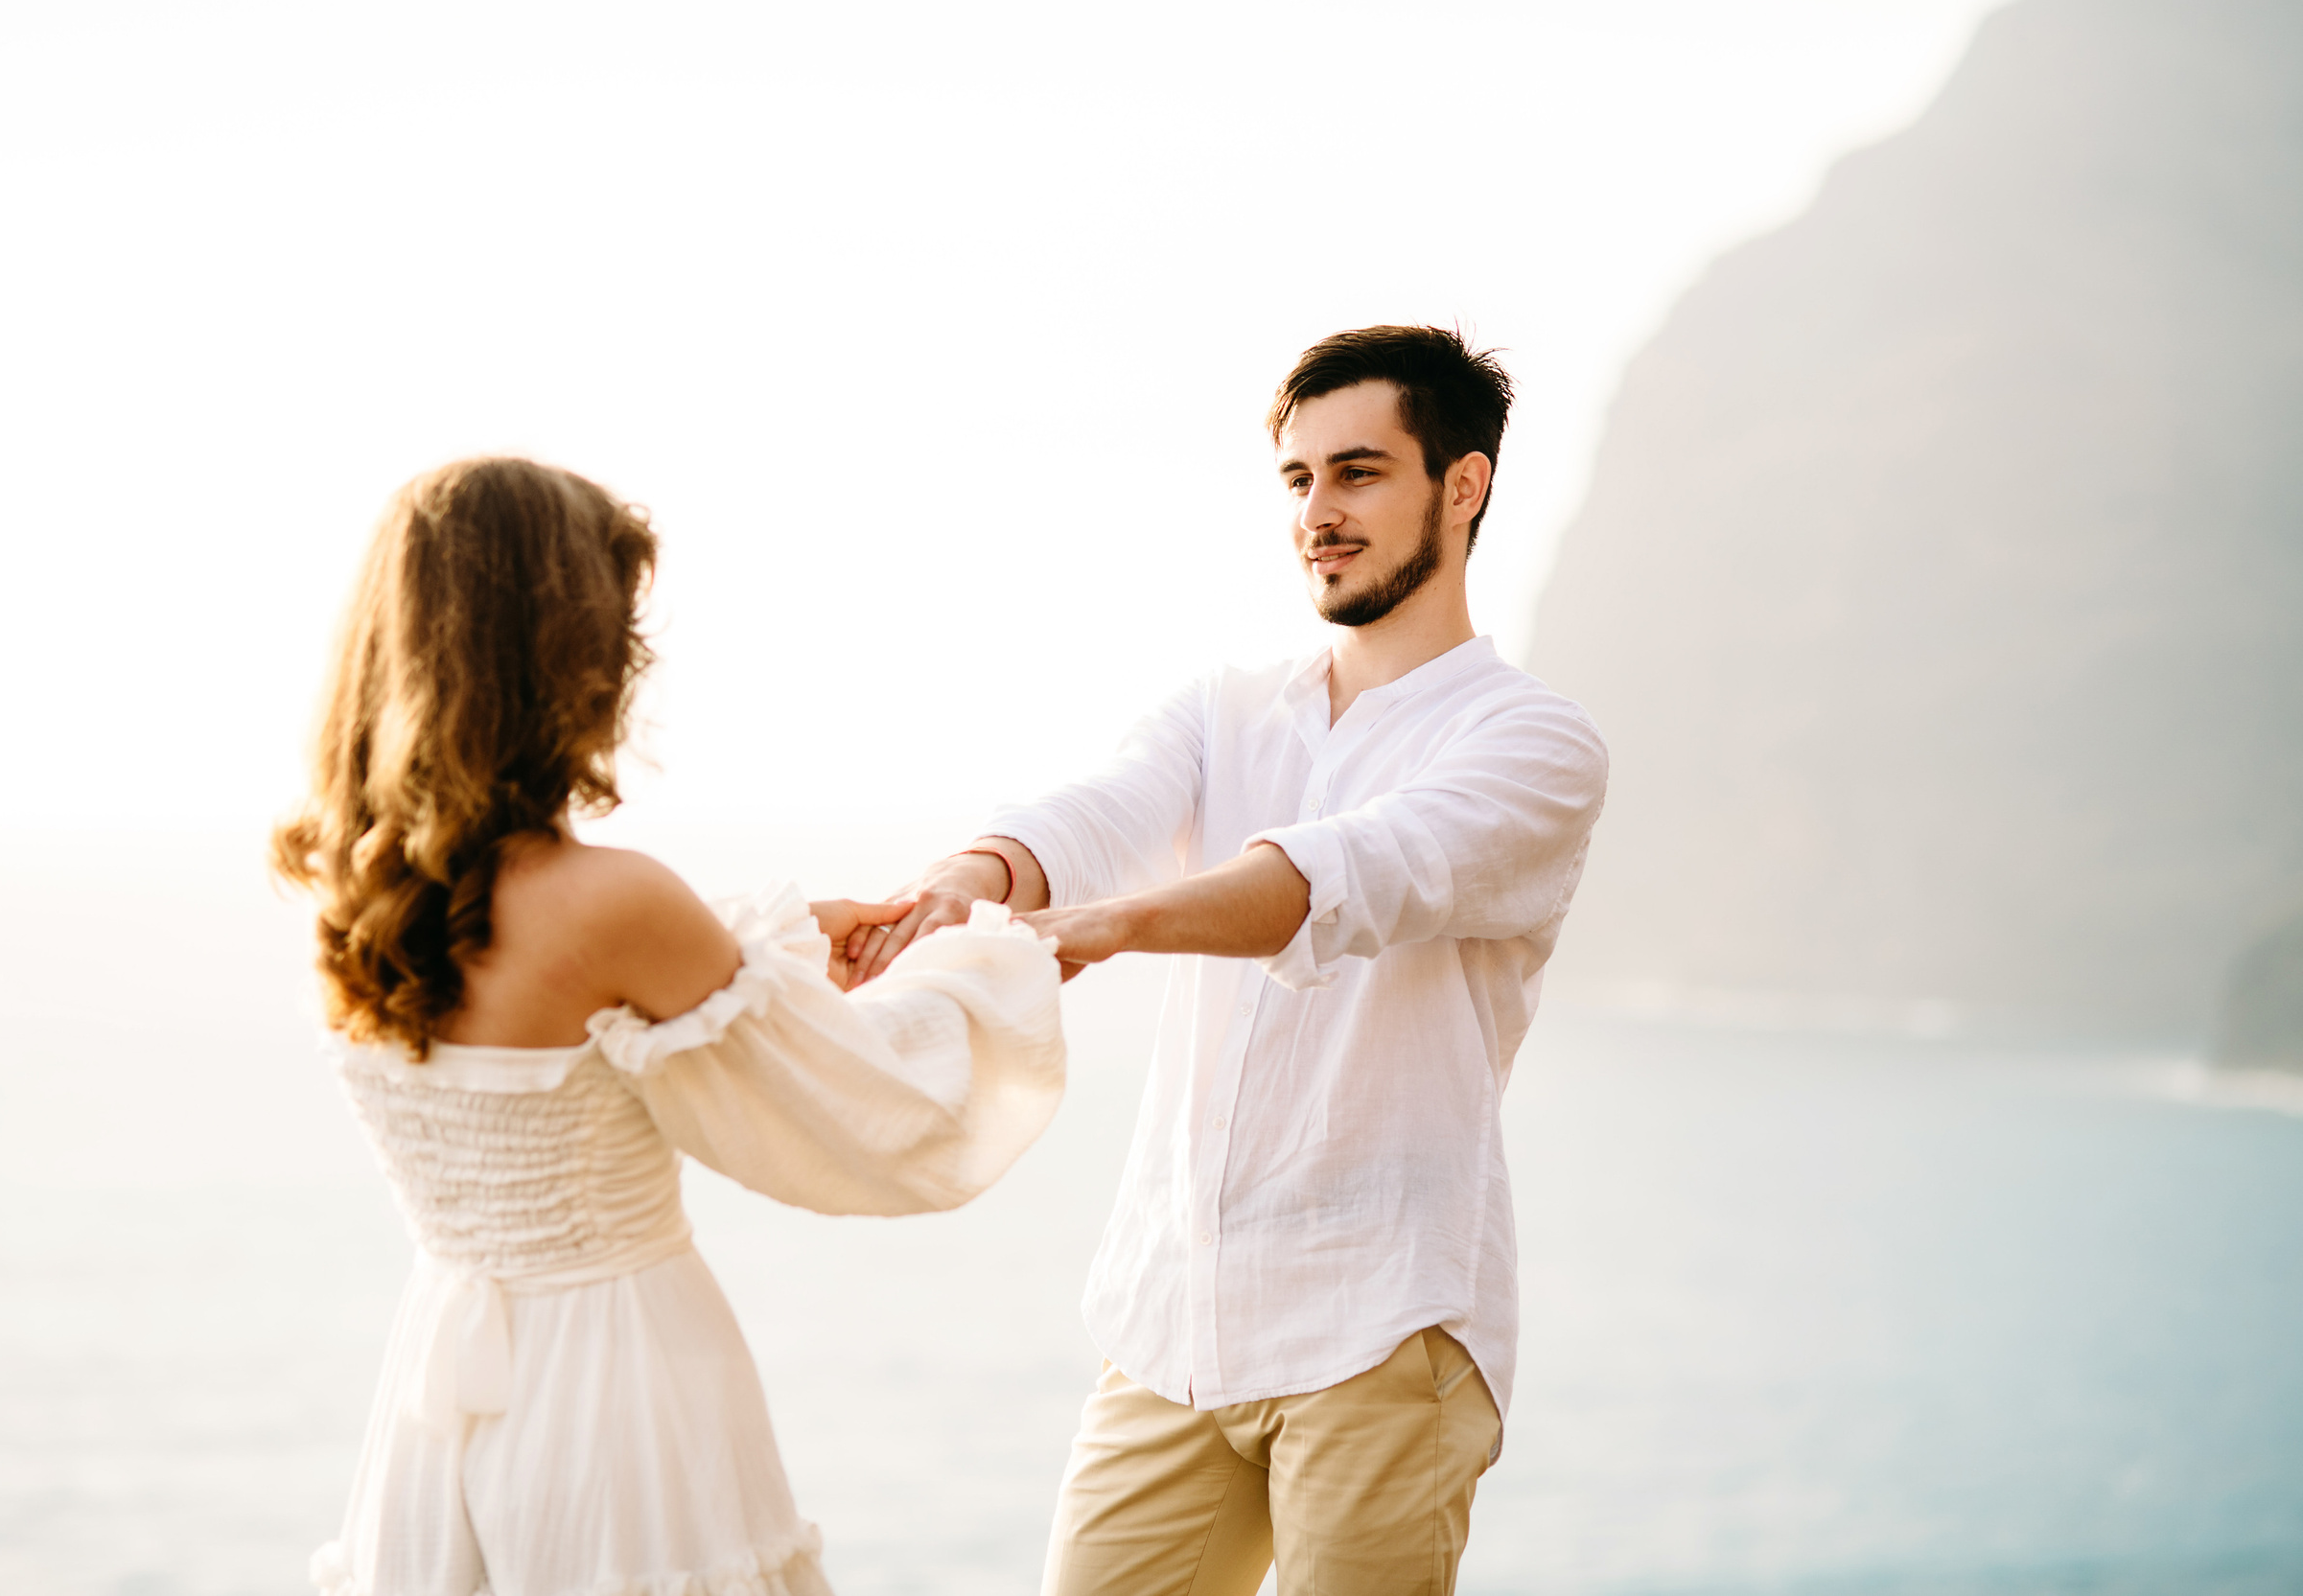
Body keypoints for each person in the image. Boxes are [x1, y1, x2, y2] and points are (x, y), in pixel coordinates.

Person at [852, 326, 1610, 1595]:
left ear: (1462, 485)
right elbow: (1095, 815)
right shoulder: (1225, 706)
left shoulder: (1533, 741)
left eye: (1359, 471)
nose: (1319, 509)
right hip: (1172, 1323)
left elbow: (1355, 869)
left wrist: (1104, 928)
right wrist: (949, 891)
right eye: (1299, 479)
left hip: (1385, 1330)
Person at [273, 456, 1066, 1596]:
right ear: (559, 652)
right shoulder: (611, 903)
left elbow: (615, 1010)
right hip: (615, 1389)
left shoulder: (352, 891)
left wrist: (779, 944)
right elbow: (878, 1111)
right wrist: (995, 963)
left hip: (438, 1391)